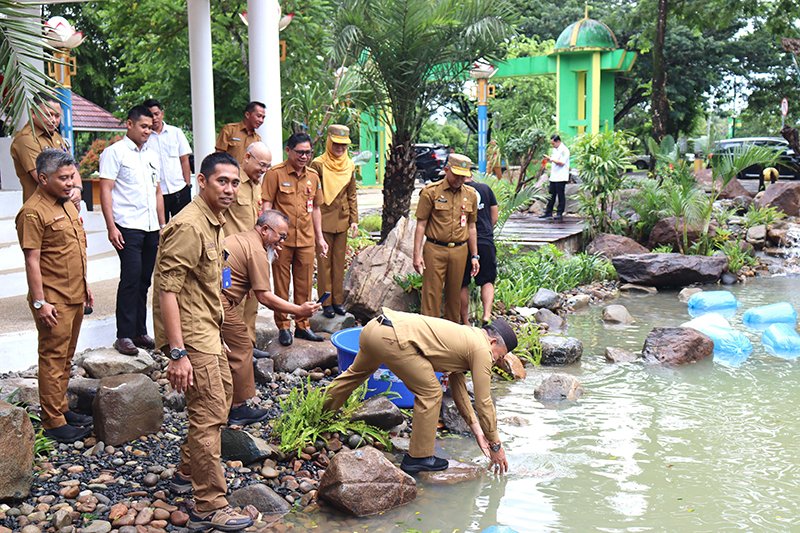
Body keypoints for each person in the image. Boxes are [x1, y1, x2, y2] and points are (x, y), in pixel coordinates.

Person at [153, 152, 253, 531]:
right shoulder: (190, 225)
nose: (228, 188)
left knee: (221, 399)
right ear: (201, 181)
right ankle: (209, 504)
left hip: (207, 328)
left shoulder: (214, 221)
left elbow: (208, 280)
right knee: (210, 414)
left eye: (233, 182)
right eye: (221, 181)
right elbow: (166, 290)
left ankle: (185, 471)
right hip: (192, 335)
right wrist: (178, 353)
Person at [323, 308, 516, 474]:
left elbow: (459, 388)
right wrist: (496, 445)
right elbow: (484, 402)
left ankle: (322, 414)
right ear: (492, 342)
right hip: (393, 339)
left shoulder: (467, 336)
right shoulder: (482, 350)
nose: (497, 360)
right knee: (431, 393)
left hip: (374, 328)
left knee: (355, 374)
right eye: (501, 355)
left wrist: (478, 432)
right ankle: (419, 457)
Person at [16, 149, 93, 443]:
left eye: (72, 176)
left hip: (74, 294)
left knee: (66, 358)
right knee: (52, 359)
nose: (70, 182)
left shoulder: (67, 204)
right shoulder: (33, 212)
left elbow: (75, 248)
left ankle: (60, 408)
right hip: (53, 299)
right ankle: (53, 421)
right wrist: (40, 302)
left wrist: (86, 286)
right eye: (63, 178)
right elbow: (32, 260)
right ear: (44, 178)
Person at [221, 210, 321, 426]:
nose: (282, 244)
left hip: (212, 296)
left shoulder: (243, 238)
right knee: (241, 347)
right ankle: (238, 408)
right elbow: (265, 297)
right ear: (265, 230)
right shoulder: (257, 251)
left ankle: (224, 399)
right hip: (218, 303)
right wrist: (298, 311)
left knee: (227, 350)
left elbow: (229, 268)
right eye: (281, 237)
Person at [98, 105, 165, 355]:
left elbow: (157, 191)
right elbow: (106, 189)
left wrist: (162, 225)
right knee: (130, 278)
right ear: (129, 124)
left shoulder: (152, 155)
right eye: (143, 126)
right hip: (127, 225)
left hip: (150, 227)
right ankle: (123, 335)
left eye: (151, 127)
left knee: (144, 280)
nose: (148, 131)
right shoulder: (114, 153)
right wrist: (111, 226)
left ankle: (139, 330)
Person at [262, 132, 329, 346]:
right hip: (282, 241)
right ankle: (283, 326)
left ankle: (302, 325)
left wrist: (320, 238)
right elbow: (266, 205)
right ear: (288, 150)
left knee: (305, 284)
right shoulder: (275, 174)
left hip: (306, 240)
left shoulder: (313, 176)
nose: (304, 156)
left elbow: (316, 208)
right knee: (281, 285)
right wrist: (268, 237)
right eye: (300, 152)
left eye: (308, 152)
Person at [413, 153, 479, 323]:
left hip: (460, 250)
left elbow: (471, 227)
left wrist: (474, 256)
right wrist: (417, 255)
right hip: (435, 249)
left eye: (463, 176)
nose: (459, 179)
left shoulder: (471, 194)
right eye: (456, 174)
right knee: (431, 295)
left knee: (455, 295)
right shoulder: (431, 192)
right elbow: (421, 224)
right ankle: (428, 335)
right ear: (446, 170)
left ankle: (450, 339)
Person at [224, 141, 273, 359]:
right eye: (261, 164)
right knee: (233, 302)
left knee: (253, 300)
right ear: (247, 157)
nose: (263, 170)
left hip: (252, 253)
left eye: (267, 167)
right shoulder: (232, 184)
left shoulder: (256, 185)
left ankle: (249, 345)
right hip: (231, 256)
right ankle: (232, 347)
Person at [309, 125, 358, 319]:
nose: (340, 149)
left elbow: (352, 194)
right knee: (324, 263)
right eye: (336, 144)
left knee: (339, 263)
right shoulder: (318, 164)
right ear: (329, 141)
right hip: (323, 218)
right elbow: (312, 194)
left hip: (342, 219)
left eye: (343, 145)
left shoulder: (349, 165)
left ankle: (337, 301)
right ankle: (325, 302)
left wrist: (354, 219)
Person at [11, 94, 82, 209]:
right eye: (48, 114)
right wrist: (71, 190)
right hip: (42, 211)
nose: (53, 120)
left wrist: (77, 189)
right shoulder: (26, 139)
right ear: (33, 113)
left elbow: (71, 167)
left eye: (57, 116)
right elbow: (43, 178)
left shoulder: (55, 136)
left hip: (65, 206)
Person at [143, 98, 192, 221]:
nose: (154, 118)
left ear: (162, 113)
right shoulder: (144, 138)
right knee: (161, 232)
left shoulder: (176, 133)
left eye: (156, 114)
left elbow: (184, 160)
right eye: (150, 115)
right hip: (157, 194)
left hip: (179, 190)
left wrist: (187, 185)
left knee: (184, 228)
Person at [460, 173, 498, 325]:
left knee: (462, 282)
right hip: (485, 241)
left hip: (462, 242)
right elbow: (494, 216)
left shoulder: (458, 190)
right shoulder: (485, 189)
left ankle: (464, 320)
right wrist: (487, 230)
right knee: (487, 280)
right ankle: (486, 315)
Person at [539, 134, 570, 222]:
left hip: (561, 176)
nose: (553, 145)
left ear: (558, 141)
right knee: (551, 194)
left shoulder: (564, 150)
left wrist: (550, 159)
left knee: (560, 195)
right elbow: (554, 160)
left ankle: (559, 213)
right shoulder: (555, 150)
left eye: (553, 143)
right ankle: (548, 212)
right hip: (554, 176)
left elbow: (561, 163)